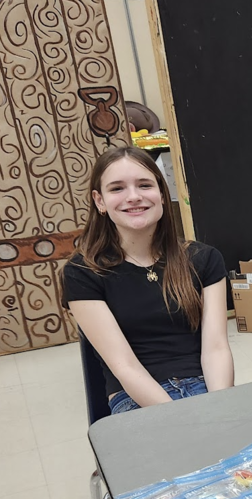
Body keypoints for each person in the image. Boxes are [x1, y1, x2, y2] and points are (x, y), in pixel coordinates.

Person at [64, 146, 233, 414]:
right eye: (117, 188)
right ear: (99, 201)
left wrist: (220, 409)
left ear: (162, 195)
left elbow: (216, 349)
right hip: (137, 399)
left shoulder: (204, 259)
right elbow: (125, 367)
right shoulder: (82, 272)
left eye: (144, 185)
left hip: (206, 388)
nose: (133, 197)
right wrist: (180, 419)